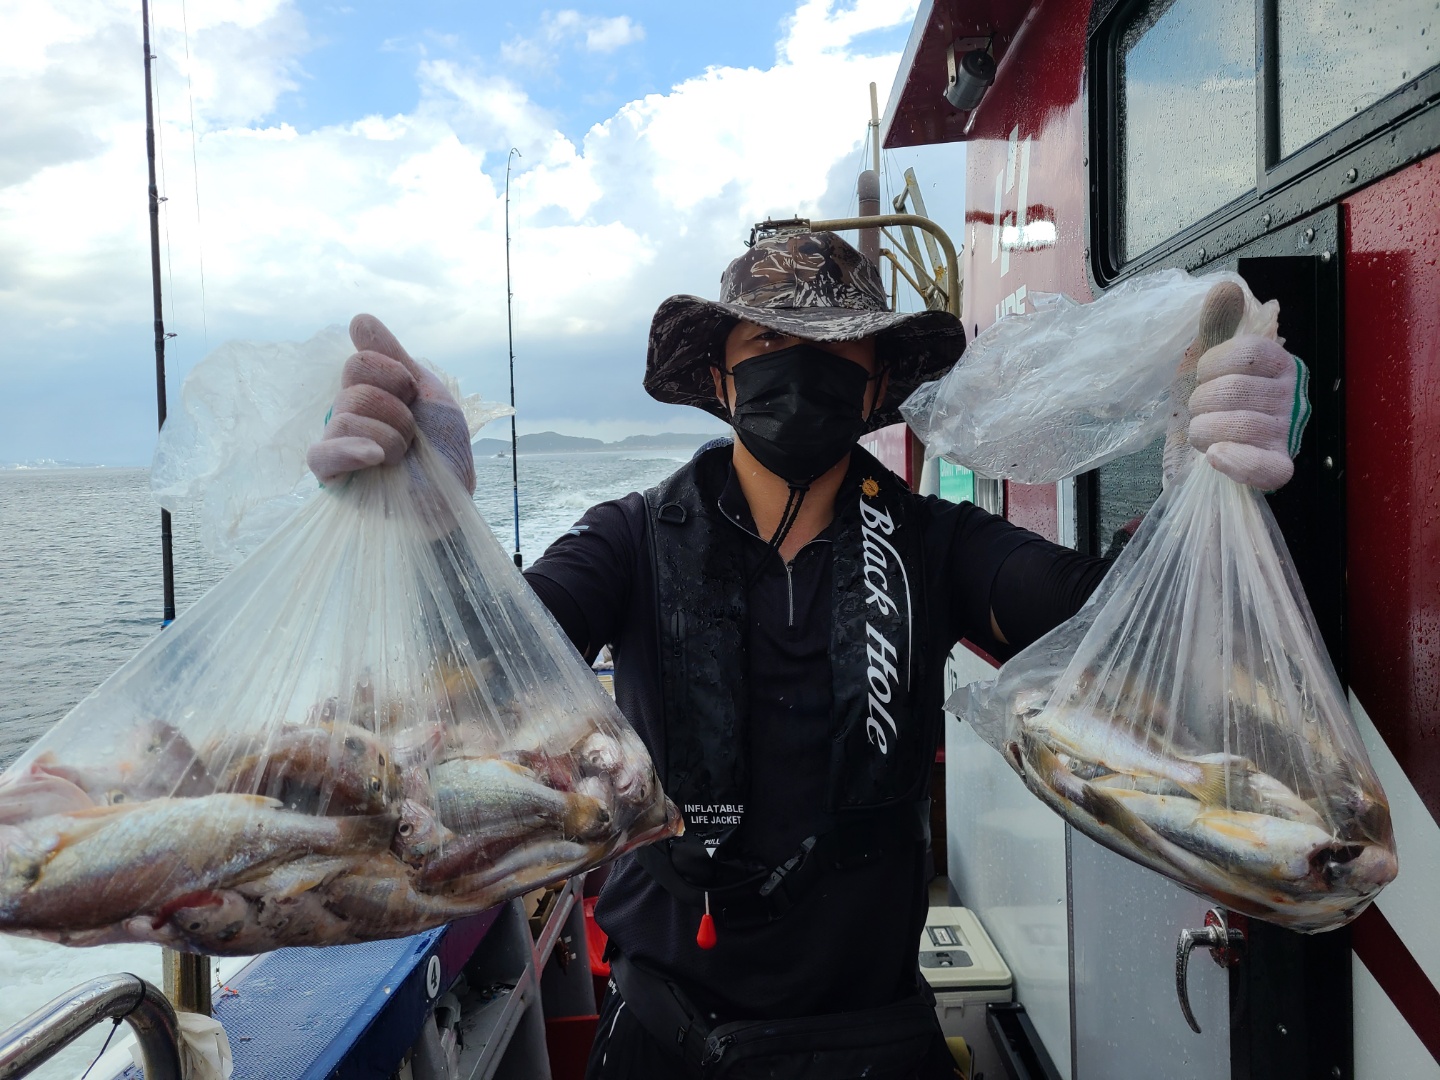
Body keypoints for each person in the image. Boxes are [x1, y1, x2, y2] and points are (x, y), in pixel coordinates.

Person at [309, 231, 1308, 1079]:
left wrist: (1197, 491)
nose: (799, 367)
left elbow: (1120, 632)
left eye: (833, 351)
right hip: (666, 1033)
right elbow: (483, 666)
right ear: (719, 375)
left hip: (874, 1035)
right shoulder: (630, 538)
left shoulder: (941, 544)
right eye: (768, 344)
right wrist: (433, 529)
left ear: (874, 381)